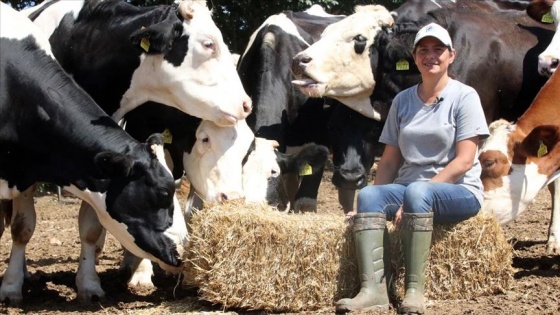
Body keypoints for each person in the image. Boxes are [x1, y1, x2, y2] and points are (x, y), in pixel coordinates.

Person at [335, 22, 489, 314]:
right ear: (415, 57)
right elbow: (391, 159)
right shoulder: (402, 101)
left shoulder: (465, 97)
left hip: (458, 190)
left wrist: (417, 196)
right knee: (368, 195)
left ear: (451, 55)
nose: (430, 55)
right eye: (423, 50)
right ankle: (373, 290)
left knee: (418, 192)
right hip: (412, 189)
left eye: (438, 49)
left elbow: (465, 160)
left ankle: (413, 292)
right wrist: (371, 209)